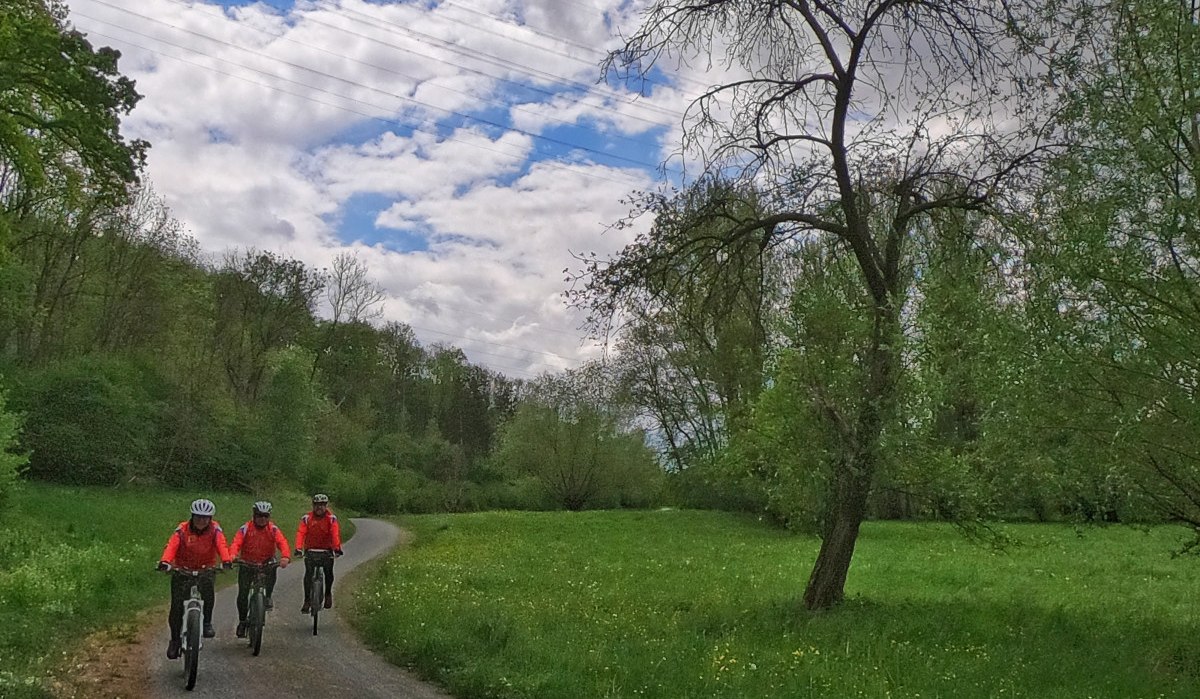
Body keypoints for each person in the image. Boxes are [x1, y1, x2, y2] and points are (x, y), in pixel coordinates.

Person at [157, 498, 233, 660]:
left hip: (206, 568)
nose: (201, 521)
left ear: (210, 519)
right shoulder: (182, 530)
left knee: (208, 594)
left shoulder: (215, 530)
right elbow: (172, 545)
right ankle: (175, 641)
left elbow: (222, 545)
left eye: (205, 518)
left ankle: (206, 623)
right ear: (192, 516)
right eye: (198, 517)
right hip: (183, 570)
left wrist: (226, 560)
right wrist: (165, 562)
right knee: (177, 606)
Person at [229, 500, 292, 638]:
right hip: (247, 562)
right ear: (254, 515)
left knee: (273, 567)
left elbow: (283, 543)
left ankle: (268, 596)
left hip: (265, 562)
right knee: (243, 594)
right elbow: (236, 543)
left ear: (269, 517)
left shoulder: (273, 529)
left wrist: (285, 556)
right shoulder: (245, 528)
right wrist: (232, 555)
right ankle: (242, 621)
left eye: (265, 516)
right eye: (259, 515)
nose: (262, 519)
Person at [295, 493, 343, 612]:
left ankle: (327, 594)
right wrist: (298, 548)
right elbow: (301, 533)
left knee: (328, 572)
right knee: (308, 574)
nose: (319, 507)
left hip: (326, 550)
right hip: (311, 550)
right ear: (313, 505)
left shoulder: (331, 519)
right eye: (317, 505)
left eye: (322, 505)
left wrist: (337, 548)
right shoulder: (307, 518)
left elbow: (334, 534)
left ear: (326, 506)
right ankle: (307, 600)